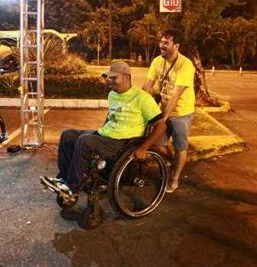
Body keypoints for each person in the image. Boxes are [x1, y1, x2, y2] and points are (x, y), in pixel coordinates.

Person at [41, 61, 166, 199]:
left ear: (126, 77)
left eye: (114, 78)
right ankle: (64, 179)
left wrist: (144, 148)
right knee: (68, 134)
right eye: (109, 77)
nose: (109, 81)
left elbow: (161, 125)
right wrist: (101, 131)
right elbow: (111, 116)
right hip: (106, 135)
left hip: (123, 142)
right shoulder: (112, 94)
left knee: (84, 141)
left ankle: (71, 187)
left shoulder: (142, 98)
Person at [142, 28, 195, 193]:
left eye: (166, 42)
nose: (161, 45)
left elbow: (176, 95)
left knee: (180, 146)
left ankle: (175, 178)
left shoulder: (185, 65)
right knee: (157, 145)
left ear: (176, 45)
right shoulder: (157, 61)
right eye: (161, 42)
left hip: (181, 112)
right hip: (163, 108)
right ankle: (175, 162)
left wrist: (163, 119)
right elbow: (147, 86)